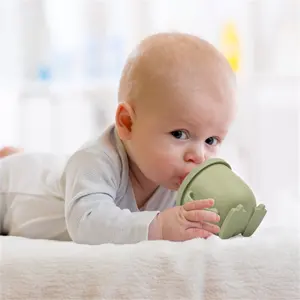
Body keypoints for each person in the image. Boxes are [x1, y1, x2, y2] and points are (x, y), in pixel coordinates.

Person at [0, 32, 236, 244]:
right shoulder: (96, 160)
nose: (199, 156)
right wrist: (160, 226)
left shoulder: (176, 176)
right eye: (179, 134)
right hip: (12, 188)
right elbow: (87, 223)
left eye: (212, 140)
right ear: (127, 123)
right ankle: (12, 159)